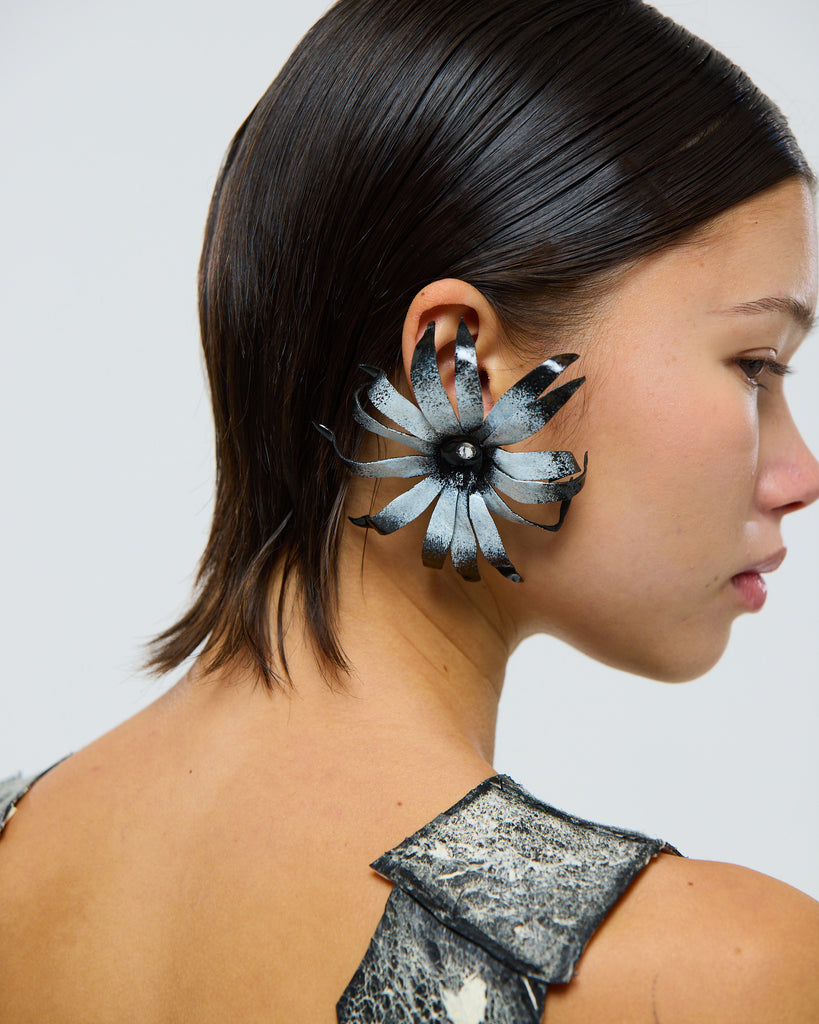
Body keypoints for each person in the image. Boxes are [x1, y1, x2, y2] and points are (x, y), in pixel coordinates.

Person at [1, 0, 818, 1020]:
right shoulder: (714, 977)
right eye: (756, 365)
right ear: (458, 366)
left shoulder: (15, 864)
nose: (801, 470)